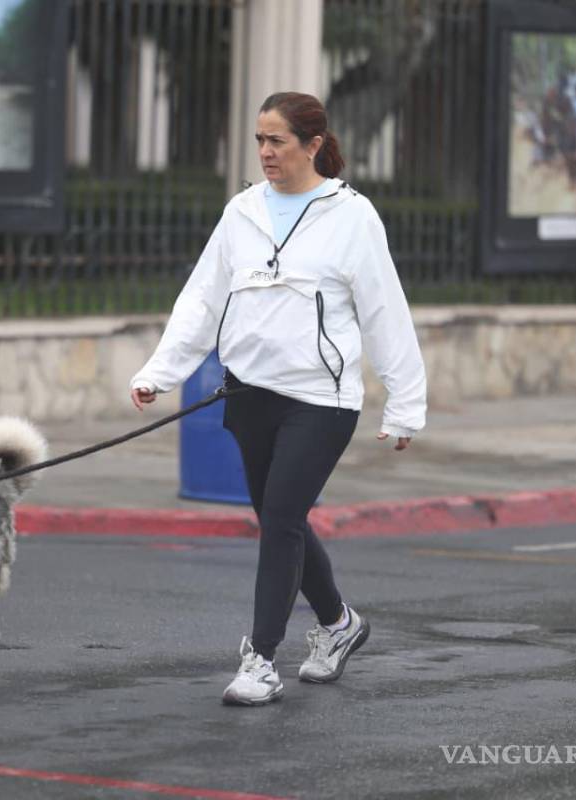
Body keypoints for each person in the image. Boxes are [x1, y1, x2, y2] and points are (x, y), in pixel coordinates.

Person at [129, 92, 427, 706]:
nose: (265, 152)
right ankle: (339, 623)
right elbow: (202, 299)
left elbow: (384, 311)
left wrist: (404, 404)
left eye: (277, 141)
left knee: (283, 518)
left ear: (312, 145)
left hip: (321, 399)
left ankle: (261, 660)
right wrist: (161, 371)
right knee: (277, 516)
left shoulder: (352, 216)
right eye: (260, 140)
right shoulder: (241, 211)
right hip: (250, 393)